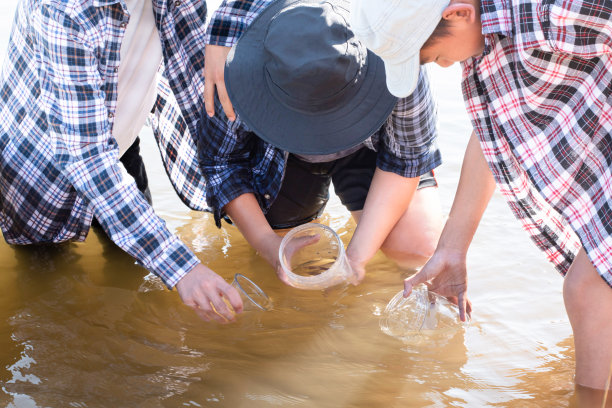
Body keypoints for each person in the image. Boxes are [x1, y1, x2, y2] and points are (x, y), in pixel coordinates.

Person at [351, 0, 612, 390]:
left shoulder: (554, 9)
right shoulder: (481, 44)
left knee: (587, 291)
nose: (437, 66)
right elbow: (493, 130)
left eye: (432, 56)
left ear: (458, 14)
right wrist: (452, 248)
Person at [0, 0, 244, 322]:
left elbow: (198, 80)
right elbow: (87, 156)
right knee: (52, 295)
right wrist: (185, 269)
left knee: (135, 273)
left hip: (120, 142)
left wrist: (261, 227)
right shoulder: (62, 7)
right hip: (41, 170)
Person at [197, 0, 444, 285]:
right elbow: (221, 163)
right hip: (283, 159)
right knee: (293, 266)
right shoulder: (233, 69)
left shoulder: (398, 57)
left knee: (417, 250)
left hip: (371, 150)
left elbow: (407, 159)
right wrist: (268, 245)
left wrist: (356, 257)